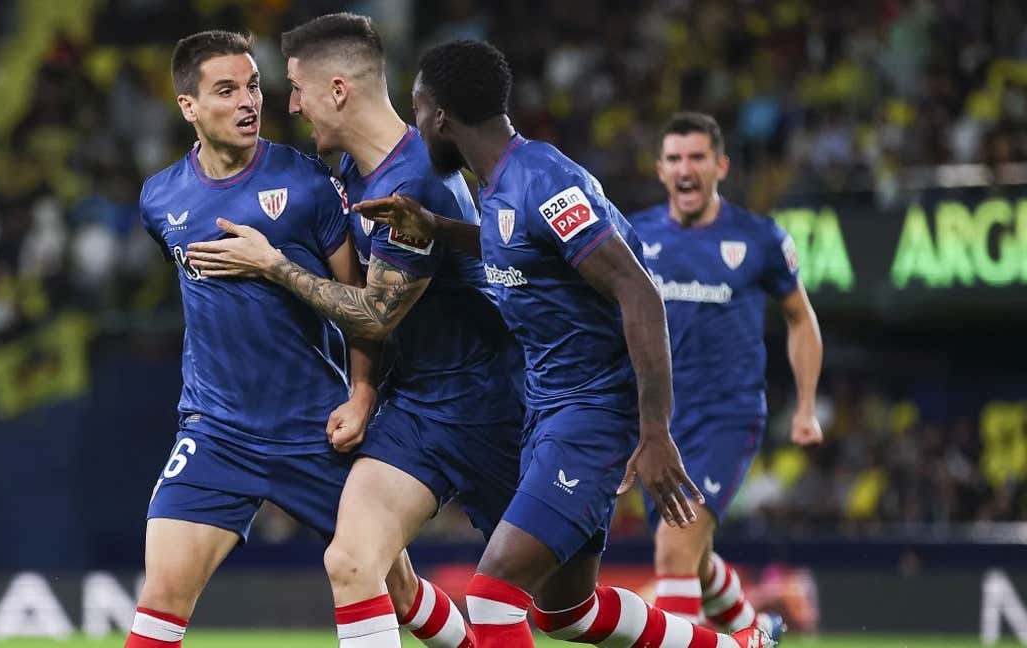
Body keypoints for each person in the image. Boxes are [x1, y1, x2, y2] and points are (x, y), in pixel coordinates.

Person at [353, 40, 774, 648]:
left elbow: (638, 292)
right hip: (549, 410)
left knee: (493, 598)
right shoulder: (501, 186)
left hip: (593, 415)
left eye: (416, 111)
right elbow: (518, 250)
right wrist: (439, 229)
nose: (415, 129)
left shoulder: (545, 181)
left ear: (441, 115)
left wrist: (654, 433)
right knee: (565, 613)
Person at [185, 14, 522, 648]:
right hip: (418, 408)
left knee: (566, 608)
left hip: (489, 406)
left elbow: (378, 312)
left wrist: (273, 265)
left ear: (337, 90)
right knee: (350, 562)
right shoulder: (355, 179)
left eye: (297, 89)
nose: (290, 105)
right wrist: (365, 393)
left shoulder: (417, 178)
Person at [125, 29, 417, 648]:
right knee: (159, 599)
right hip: (216, 432)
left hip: (314, 428)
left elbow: (364, 308)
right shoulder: (160, 199)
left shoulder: (307, 183)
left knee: (400, 592)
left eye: (253, 85)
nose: (248, 101)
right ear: (188, 107)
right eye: (226, 90)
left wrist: (363, 396)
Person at [626, 111, 822, 636]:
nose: (684, 168)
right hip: (657, 423)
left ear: (721, 166)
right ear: (660, 169)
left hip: (726, 416)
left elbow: (800, 318)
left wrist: (805, 407)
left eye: (696, 157)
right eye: (674, 159)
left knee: (674, 545)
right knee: (696, 555)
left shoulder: (758, 239)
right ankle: (756, 632)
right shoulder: (633, 236)